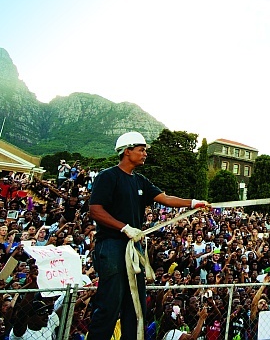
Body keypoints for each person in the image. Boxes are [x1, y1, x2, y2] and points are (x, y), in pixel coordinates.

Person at [87, 131, 208, 340]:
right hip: (112, 246)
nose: (145, 154)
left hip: (134, 248)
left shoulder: (140, 181)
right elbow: (95, 210)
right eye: (141, 150)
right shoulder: (107, 176)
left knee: (135, 307)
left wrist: (192, 203)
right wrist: (123, 227)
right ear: (127, 151)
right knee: (109, 305)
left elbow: (166, 198)